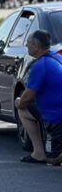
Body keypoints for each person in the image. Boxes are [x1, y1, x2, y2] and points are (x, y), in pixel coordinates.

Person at [14, 30, 62, 165]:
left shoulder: (40, 65)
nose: (26, 46)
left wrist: (18, 103)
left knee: (52, 159)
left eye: (28, 43)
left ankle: (39, 154)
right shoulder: (58, 58)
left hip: (57, 119)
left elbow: (27, 97)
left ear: (36, 46)